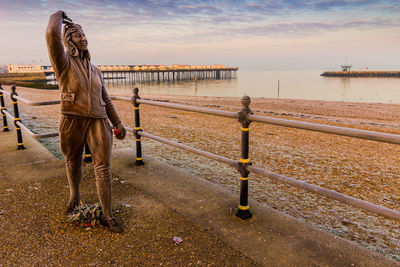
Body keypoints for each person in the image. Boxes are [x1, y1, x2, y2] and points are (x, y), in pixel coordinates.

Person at [45, 10, 126, 233]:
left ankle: (108, 215)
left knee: (103, 168)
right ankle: (74, 196)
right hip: (72, 119)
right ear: (68, 41)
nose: (83, 38)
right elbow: (51, 34)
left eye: (84, 34)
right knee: (73, 161)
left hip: (99, 121)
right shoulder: (63, 63)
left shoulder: (96, 71)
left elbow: (106, 99)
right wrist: (58, 16)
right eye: (78, 35)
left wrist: (117, 122)